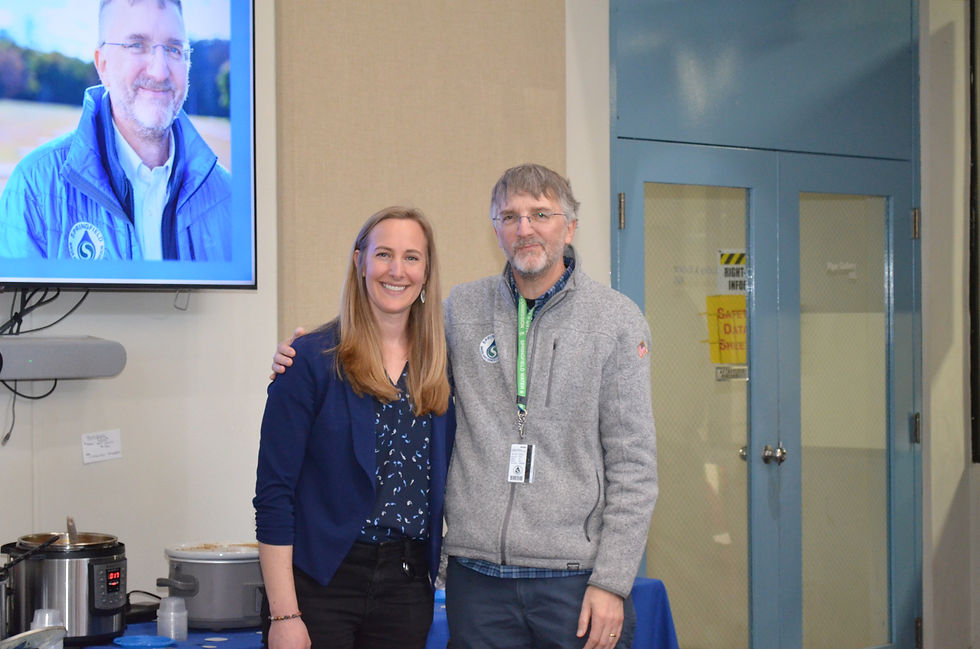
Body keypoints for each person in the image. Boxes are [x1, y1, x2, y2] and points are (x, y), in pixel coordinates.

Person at [272, 164, 658, 649]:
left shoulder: (616, 322)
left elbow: (634, 467)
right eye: (510, 216)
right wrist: (301, 352)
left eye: (541, 213)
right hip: (478, 584)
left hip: (573, 581)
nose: (526, 228)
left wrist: (612, 580)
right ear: (495, 228)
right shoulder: (460, 311)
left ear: (570, 226)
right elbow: (385, 340)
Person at [254, 206, 455, 649]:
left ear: (426, 271)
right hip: (319, 584)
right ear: (359, 262)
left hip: (406, 589)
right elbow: (274, 496)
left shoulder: (442, 367)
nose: (396, 270)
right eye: (383, 254)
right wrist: (284, 614)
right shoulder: (309, 360)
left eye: (412, 257)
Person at [0, 0, 232, 261]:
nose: (159, 71)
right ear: (103, 65)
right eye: (136, 45)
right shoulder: (34, 188)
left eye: (173, 48)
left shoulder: (231, 199)